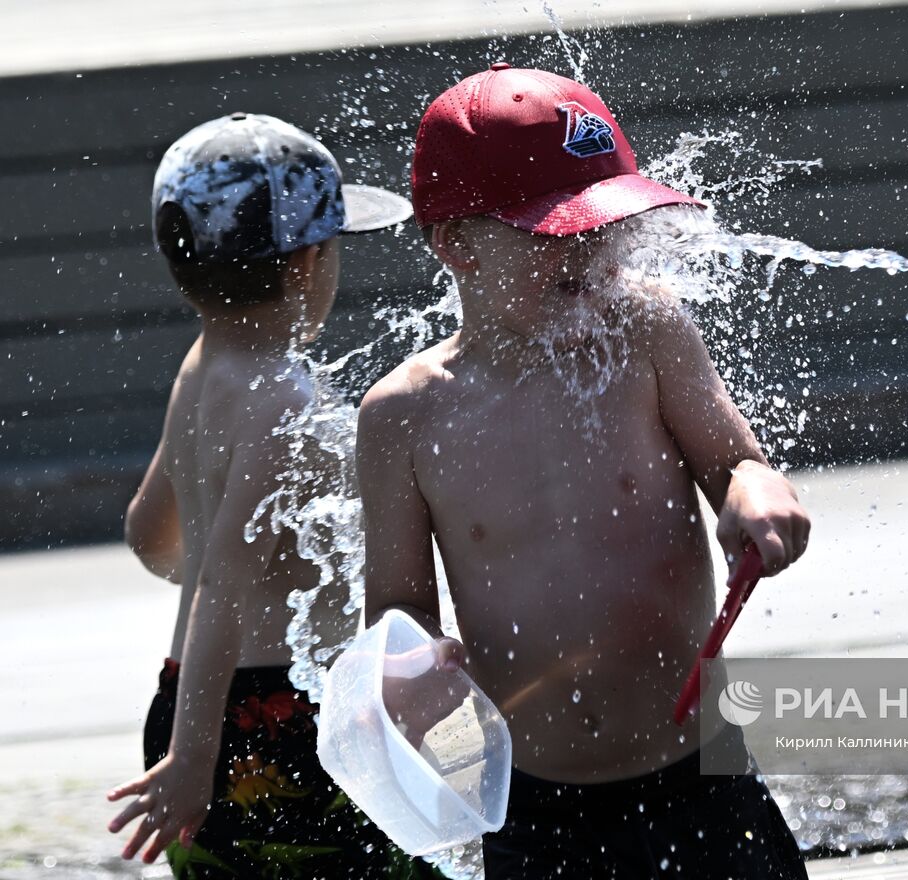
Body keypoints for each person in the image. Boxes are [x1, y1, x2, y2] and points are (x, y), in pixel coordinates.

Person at [358, 65, 812, 879]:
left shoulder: (646, 332)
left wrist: (758, 492)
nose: (592, 254)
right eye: (554, 235)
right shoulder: (404, 418)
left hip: (701, 776)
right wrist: (412, 672)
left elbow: (732, 461)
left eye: (605, 227)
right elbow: (397, 605)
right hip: (538, 810)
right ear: (456, 245)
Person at [106, 112, 446, 878]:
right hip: (269, 726)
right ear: (308, 264)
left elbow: (149, 535)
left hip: (186, 701)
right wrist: (199, 758)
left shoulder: (203, 367)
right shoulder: (281, 397)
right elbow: (224, 587)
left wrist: (189, 738)